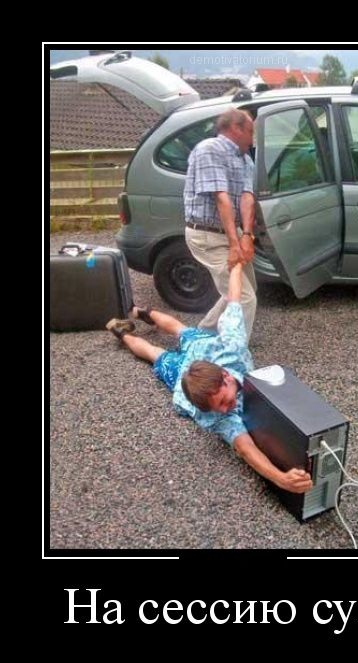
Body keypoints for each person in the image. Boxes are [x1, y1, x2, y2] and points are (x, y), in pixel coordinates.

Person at [106, 263, 312, 495]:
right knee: (156, 354)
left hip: (203, 349)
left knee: (180, 330)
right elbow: (245, 449)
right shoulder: (211, 411)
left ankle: (141, 312)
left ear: (226, 377)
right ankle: (122, 333)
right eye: (220, 407)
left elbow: (234, 299)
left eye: (223, 401)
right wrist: (281, 479)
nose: (225, 410)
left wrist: (237, 266)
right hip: (185, 371)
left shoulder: (232, 346)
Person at [183, 108, 257, 342]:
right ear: (236, 128)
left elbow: (247, 198)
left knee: (242, 289)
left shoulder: (245, 159)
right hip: (207, 235)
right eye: (251, 132)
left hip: (230, 232)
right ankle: (233, 353)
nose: (252, 139)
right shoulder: (209, 149)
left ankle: (203, 334)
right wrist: (235, 245)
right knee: (243, 298)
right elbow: (221, 198)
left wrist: (246, 235)